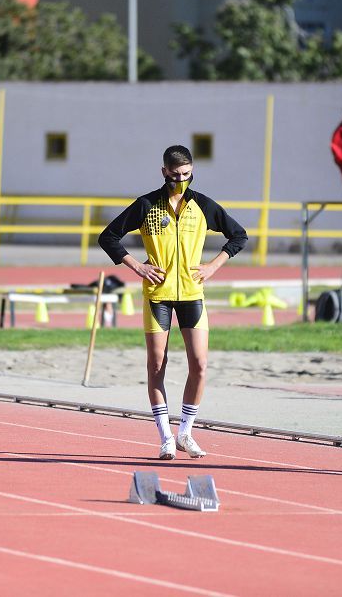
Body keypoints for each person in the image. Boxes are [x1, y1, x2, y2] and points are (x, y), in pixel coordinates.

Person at [98, 145, 247, 460]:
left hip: (192, 294)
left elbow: (238, 236)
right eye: (176, 175)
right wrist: (138, 266)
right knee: (156, 365)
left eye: (187, 174)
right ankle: (165, 436)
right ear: (164, 171)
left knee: (201, 366)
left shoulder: (202, 205)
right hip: (158, 296)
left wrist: (212, 266)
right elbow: (108, 236)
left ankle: (186, 432)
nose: (181, 180)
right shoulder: (147, 205)